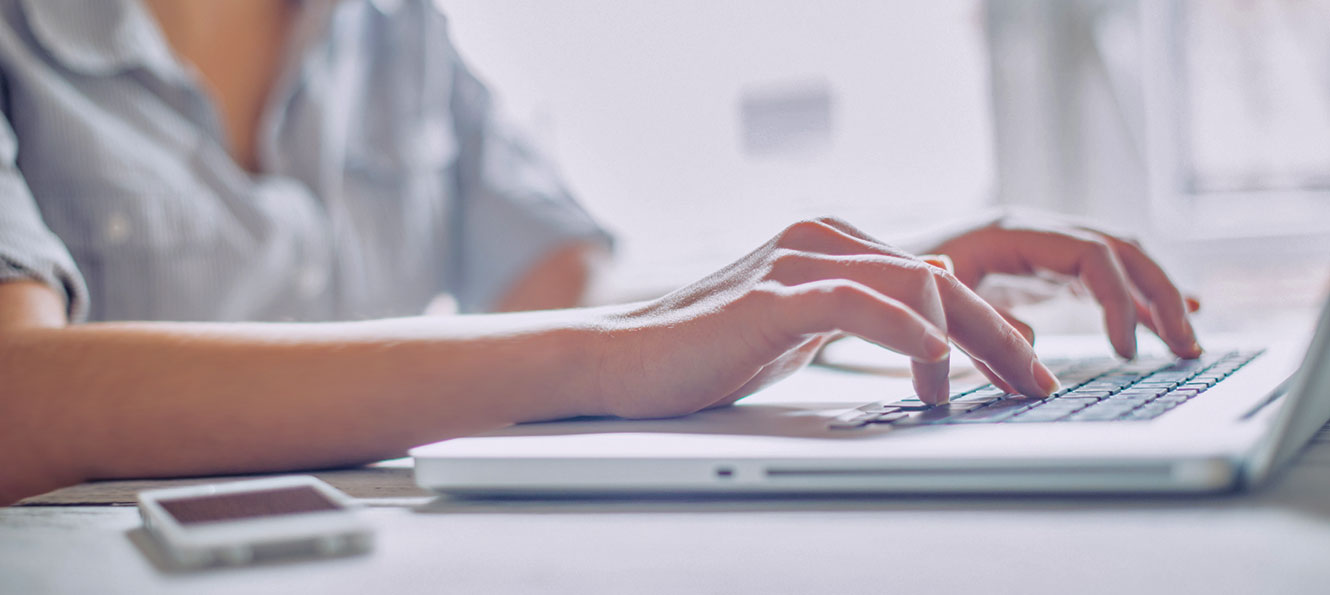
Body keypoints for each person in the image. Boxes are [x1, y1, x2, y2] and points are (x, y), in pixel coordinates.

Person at [0, 0, 1203, 506]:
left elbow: (557, 306)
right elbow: (16, 398)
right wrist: (618, 351)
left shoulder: (389, 28)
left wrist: (834, 294)